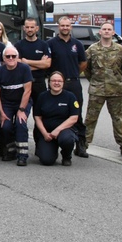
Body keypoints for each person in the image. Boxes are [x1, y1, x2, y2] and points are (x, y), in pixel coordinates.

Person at [84, 21, 122, 155]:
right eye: (104, 29)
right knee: (90, 118)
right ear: (100, 32)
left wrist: (120, 81)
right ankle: (84, 144)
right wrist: (93, 81)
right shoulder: (92, 49)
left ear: (113, 32)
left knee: (118, 119)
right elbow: (86, 68)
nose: (106, 31)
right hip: (97, 90)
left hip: (115, 91)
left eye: (109, 29)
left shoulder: (120, 50)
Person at [48, 16, 89, 158]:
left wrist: (74, 73)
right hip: (57, 84)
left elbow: (83, 63)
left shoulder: (77, 44)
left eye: (67, 25)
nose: (65, 28)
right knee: (54, 113)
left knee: (76, 114)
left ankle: (80, 145)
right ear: (58, 27)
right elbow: (48, 63)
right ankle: (52, 143)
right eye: (62, 25)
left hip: (74, 84)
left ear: (71, 27)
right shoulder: (51, 44)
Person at [0, 44, 33, 165]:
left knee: (21, 124)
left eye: (13, 56)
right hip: (6, 103)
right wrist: (1, 112)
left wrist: (21, 110)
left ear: (17, 57)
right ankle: (11, 150)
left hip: (22, 102)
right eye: (8, 56)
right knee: (5, 126)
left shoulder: (24, 69)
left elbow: (28, 90)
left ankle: (22, 155)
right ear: (3, 58)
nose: (11, 58)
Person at [33, 72, 79, 166]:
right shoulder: (42, 96)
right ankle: (49, 150)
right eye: (53, 80)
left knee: (67, 139)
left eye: (59, 81)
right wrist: (45, 133)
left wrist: (57, 130)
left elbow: (74, 118)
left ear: (63, 83)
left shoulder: (70, 96)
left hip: (64, 130)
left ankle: (66, 156)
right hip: (47, 133)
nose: (56, 83)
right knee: (47, 161)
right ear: (49, 82)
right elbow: (37, 117)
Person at [14, 17, 52, 102]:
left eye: (32, 27)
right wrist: (40, 64)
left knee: (40, 113)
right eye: (27, 27)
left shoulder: (43, 45)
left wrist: (27, 62)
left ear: (37, 28)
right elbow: (17, 65)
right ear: (24, 28)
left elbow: (47, 64)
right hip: (22, 82)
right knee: (21, 112)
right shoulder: (18, 45)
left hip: (39, 83)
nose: (29, 29)